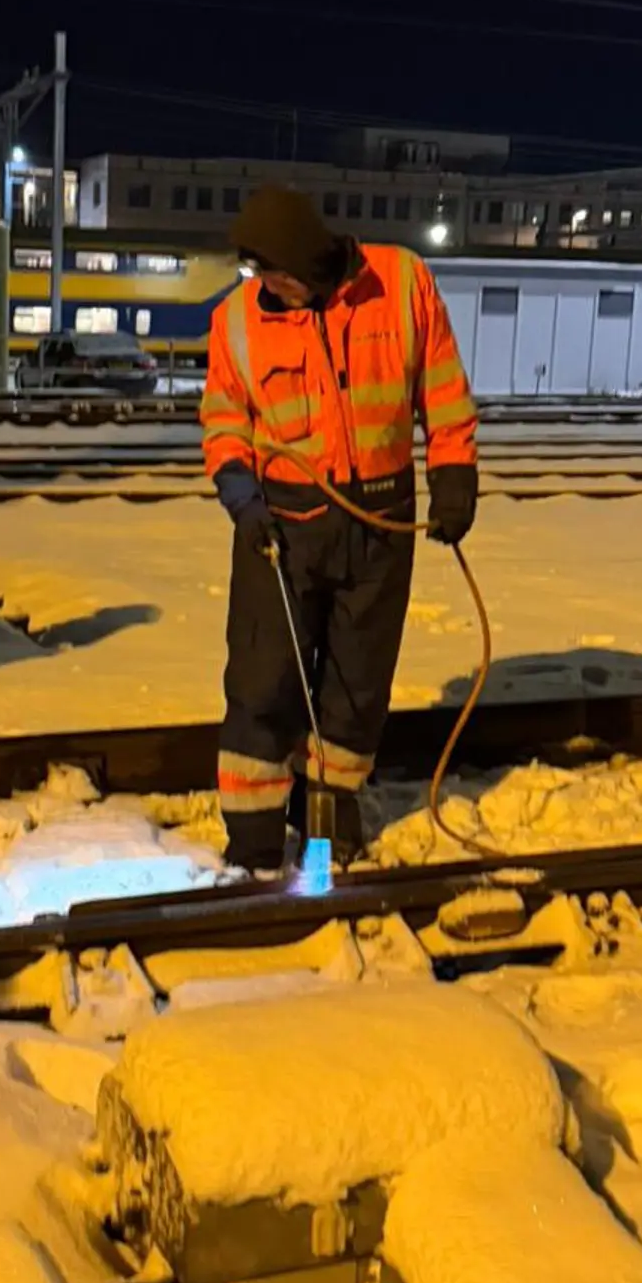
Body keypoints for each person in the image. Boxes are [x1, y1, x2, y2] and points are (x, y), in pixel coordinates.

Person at [200, 187, 480, 873]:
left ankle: (326, 832)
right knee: (265, 684)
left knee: (356, 692)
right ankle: (257, 847)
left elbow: (442, 391)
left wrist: (453, 475)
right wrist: (241, 495)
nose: (269, 289)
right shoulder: (236, 320)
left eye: (277, 277)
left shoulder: (403, 283)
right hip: (282, 528)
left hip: (380, 524)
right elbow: (225, 419)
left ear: (305, 265)